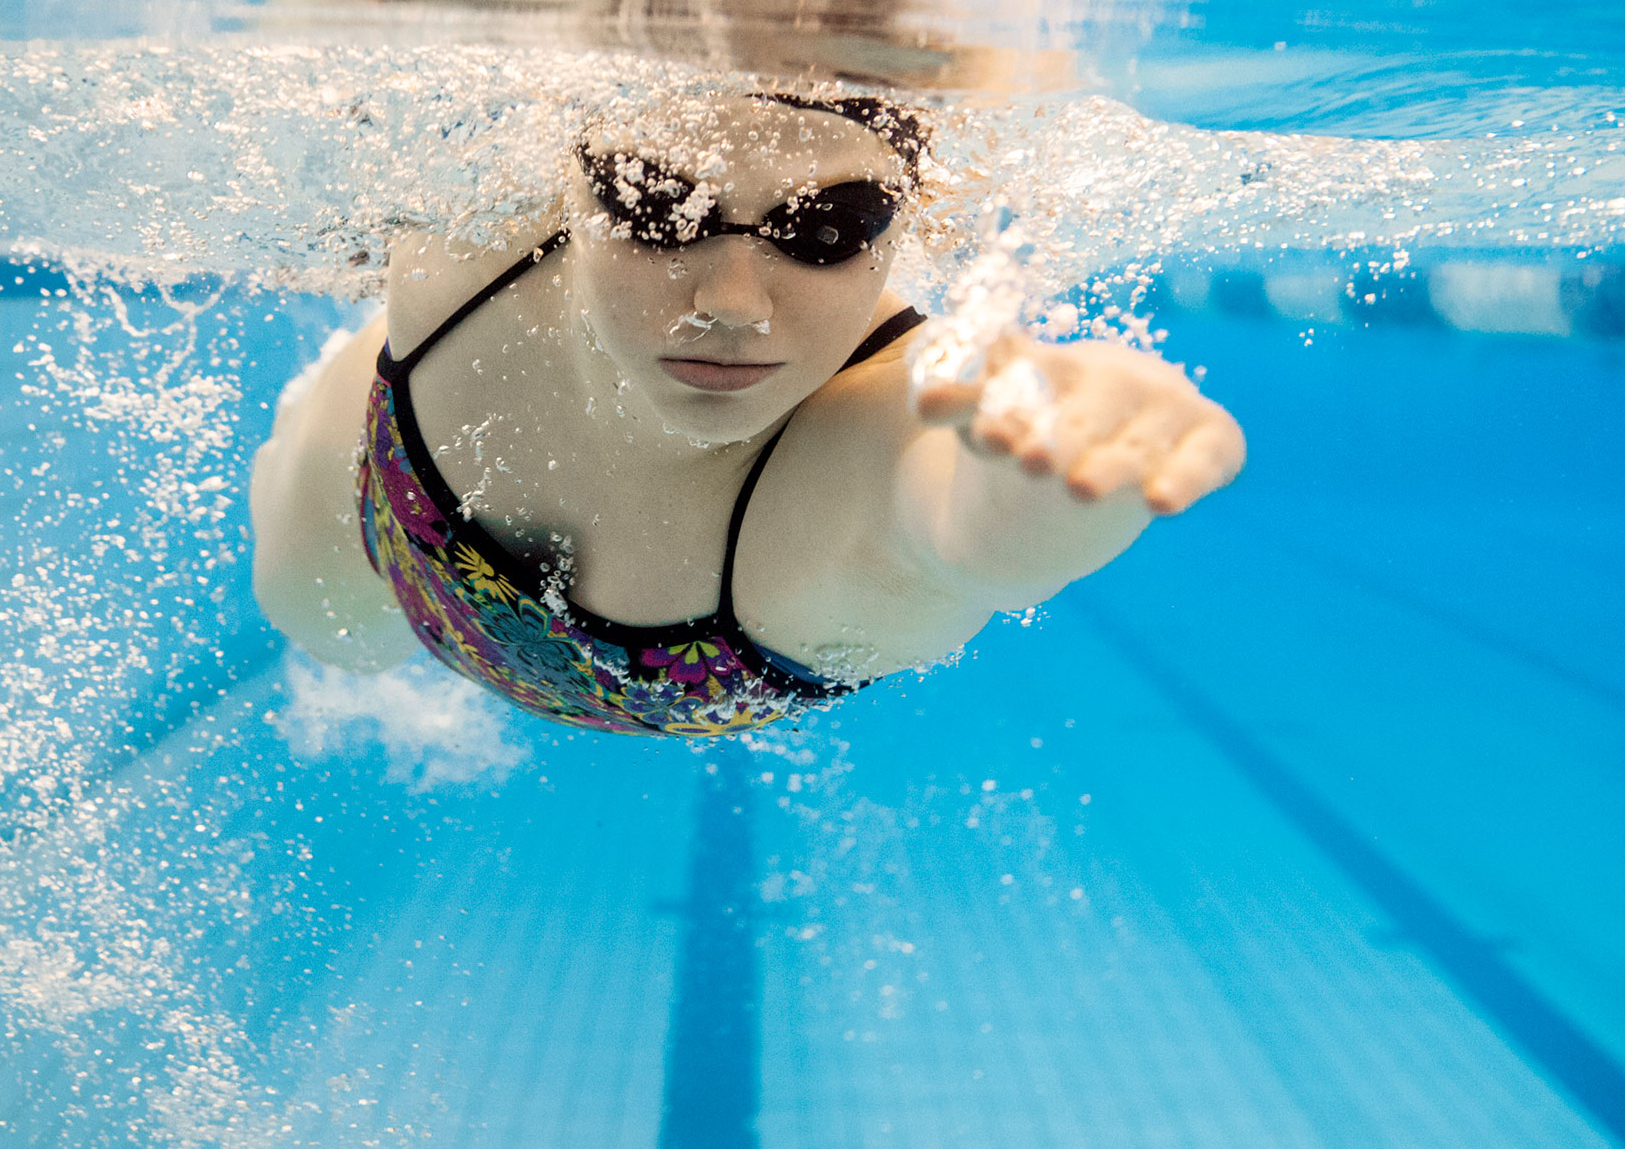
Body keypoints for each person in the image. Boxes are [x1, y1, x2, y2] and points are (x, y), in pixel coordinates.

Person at [249, 92, 1244, 737]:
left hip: (666, 637)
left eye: (827, 226)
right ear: (571, 187)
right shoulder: (478, 235)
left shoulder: (866, 441)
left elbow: (954, 522)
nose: (731, 298)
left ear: (903, 223)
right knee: (326, 627)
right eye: (656, 204)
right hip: (376, 492)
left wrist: (1060, 466)